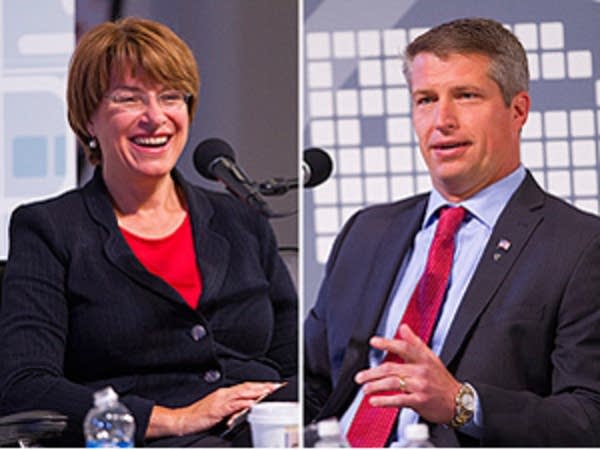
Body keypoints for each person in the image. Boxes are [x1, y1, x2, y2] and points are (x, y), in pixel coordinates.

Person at [0, 17, 297, 447]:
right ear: (88, 118)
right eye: (129, 99)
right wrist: (175, 419)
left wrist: (283, 406)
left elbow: (296, 365)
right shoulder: (50, 229)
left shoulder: (242, 221)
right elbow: (25, 386)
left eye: (171, 97)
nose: (155, 118)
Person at [304, 17, 600, 447]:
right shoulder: (366, 231)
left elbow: (589, 417)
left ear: (518, 110)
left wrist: (462, 403)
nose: (442, 120)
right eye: (425, 99)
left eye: (465, 96)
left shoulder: (579, 246)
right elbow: (313, 383)